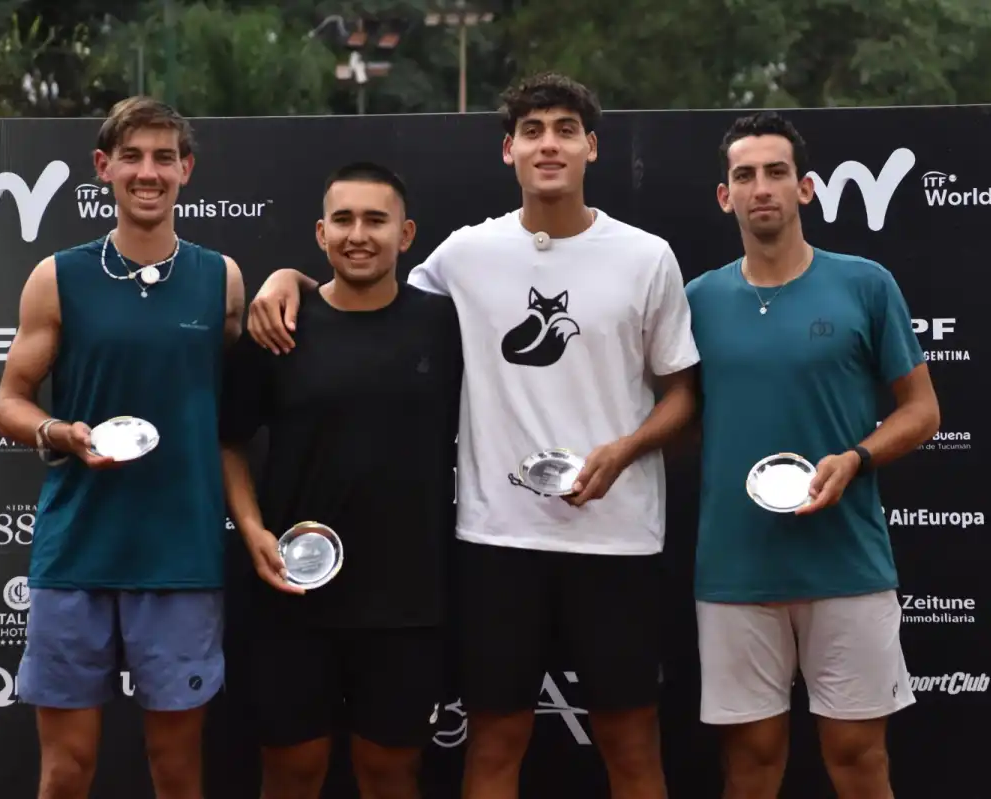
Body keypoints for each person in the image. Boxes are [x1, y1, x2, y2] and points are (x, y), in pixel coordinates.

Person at [244, 73, 700, 799]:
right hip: (495, 541)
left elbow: (683, 395)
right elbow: (363, 287)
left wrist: (626, 449)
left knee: (632, 743)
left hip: (617, 540)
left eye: (563, 129)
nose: (547, 143)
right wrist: (288, 277)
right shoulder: (464, 254)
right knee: (494, 743)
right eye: (532, 130)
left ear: (591, 146)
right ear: (508, 149)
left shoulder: (647, 257)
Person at [0, 96, 245, 799]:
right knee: (66, 771)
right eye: (131, 156)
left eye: (164, 156)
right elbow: (8, 401)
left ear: (186, 170)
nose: (148, 171)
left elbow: (237, 399)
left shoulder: (222, 278)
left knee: (176, 769)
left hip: (181, 555)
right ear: (102, 168)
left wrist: (290, 278)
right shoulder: (57, 276)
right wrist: (56, 432)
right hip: (77, 552)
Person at [685, 110, 941, 799]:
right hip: (735, 565)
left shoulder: (864, 283)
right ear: (725, 196)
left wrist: (855, 458)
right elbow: (673, 416)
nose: (760, 186)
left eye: (776, 172)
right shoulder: (697, 300)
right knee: (751, 763)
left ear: (806, 189)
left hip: (847, 559)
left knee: (859, 759)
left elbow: (922, 411)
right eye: (745, 175)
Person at [217, 161, 463, 799]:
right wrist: (251, 532)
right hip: (292, 596)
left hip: (408, 601)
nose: (360, 234)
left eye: (376, 220)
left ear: (405, 235)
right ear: (321, 233)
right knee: (293, 774)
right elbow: (228, 441)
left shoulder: (446, 325)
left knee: (390, 776)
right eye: (345, 220)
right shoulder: (279, 329)